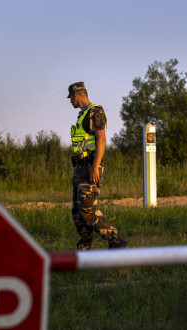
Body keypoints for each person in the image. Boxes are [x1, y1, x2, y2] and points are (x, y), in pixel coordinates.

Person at [67, 82, 127, 250]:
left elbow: (101, 138)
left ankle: (115, 240)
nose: (70, 101)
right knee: (77, 211)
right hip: (80, 168)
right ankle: (84, 248)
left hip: (90, 167)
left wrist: (95, 167)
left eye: (70, 98)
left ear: (76, 95)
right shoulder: (82, 114)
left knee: (87, 209)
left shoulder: (94, 112)